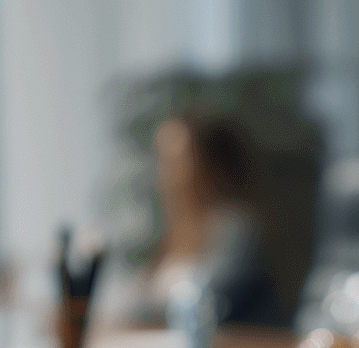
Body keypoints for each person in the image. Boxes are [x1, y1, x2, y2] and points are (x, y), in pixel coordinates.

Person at [90, 112, 277, 332]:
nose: (163, 173)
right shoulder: (169, 238)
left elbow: (205, 301)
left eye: (176, 160)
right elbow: (130, 303)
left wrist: (128, 316)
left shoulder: (236, 226)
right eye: (161, 159)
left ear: (207, 165)